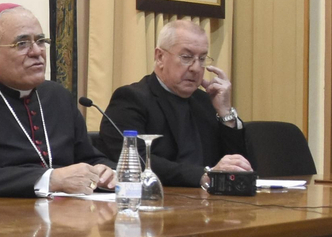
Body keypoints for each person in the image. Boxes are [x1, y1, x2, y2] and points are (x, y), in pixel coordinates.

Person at [0, 3, 114, 198]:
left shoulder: (57, 96)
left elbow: (89, 157)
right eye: (22, 44)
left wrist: (107, 172)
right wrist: (50, 179)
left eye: (41, 41)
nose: (37, 52)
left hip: (65, 216)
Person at [98, 18, 251, 188]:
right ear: (160, 57)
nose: (195, 67)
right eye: (186, 57)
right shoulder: (131, 99)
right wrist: (203, 175)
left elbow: (242, 167)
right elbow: (135, 160)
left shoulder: (206, 102)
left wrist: (225, 113)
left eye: (202, 59)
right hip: (159, 201)